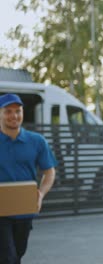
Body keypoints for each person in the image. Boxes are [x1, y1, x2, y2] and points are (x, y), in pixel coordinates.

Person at [0, 93, 57, 264]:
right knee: (8, 257)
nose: (14, 116)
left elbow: (49, 171)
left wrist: (40, 194)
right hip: (0, 211)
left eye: (17, 111)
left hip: (24, 210)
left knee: (17, 253)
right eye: (8, 111)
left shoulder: (36, 141)